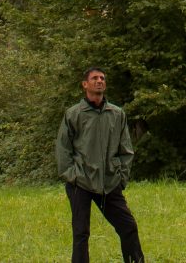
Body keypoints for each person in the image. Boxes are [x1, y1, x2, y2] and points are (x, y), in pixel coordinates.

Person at [55, 67, 145, 263]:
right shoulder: (74, 114)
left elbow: (126, 149)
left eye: (102, 78)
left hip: (110, 181)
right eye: (94, 78)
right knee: (81, 233)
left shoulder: (116, 114)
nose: (99, 81)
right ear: (85, 84)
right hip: (81, 182)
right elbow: (63, 149)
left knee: (128, 226)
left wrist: (121, 178)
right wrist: (73, 175)